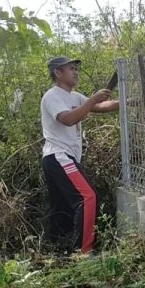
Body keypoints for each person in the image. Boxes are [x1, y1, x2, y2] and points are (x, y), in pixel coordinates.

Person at [41, 56, 119, 254]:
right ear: (58, 72)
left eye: (76, 68)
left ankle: (57, 251)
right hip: (59, 156)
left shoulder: (74, 96)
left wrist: (127, 102)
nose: (76, 72)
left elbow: (99, 107)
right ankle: (84, 253)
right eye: (71, 68)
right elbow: (67, 119)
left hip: (63, 158)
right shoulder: (52, 96)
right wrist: (93, 99)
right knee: (87, 198)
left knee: (62, 206)